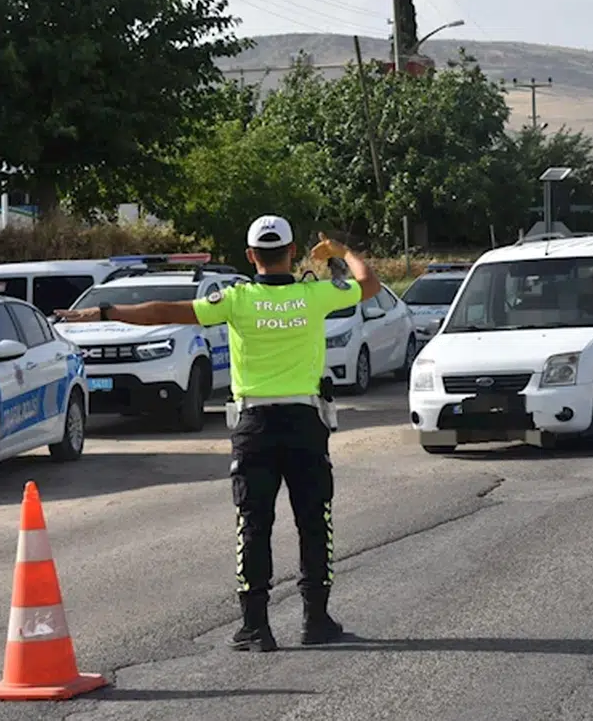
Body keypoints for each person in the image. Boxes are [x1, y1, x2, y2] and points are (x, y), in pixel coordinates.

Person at [54, 215, 381, 652]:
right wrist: (338, 251)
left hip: (255, 426)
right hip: (305, 423)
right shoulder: (314, 295)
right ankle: (316, 621)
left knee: (253, 523)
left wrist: (106, 313)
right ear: (291, 252)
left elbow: (165, 312)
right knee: (313, 522)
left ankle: (256, 627)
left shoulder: (235, 299)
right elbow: (370, 283)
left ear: (250, 256)